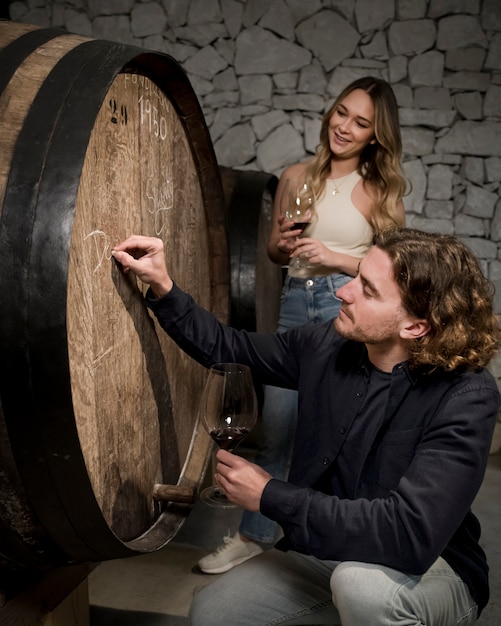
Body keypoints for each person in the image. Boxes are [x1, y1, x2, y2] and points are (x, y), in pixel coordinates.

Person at [112, 227, 500, 625]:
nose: (342, 292)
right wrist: (162, 284)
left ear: (415, 327)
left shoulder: (466, 396)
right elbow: (231, 348)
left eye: (367, 290)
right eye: (357, 276)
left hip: (429, 567)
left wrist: (270, 496)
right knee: (213, 612)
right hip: (326, 554)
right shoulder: (326, 346)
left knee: (362, 590)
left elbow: (409, 535)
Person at [197, 76, 408, 574]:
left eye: (361, 123)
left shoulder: (382, 192)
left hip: (346, 309)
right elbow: (274, 250)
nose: (345, 127)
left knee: (335, 432)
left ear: (375, 135)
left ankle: (324, 540)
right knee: (278, 428)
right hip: (296, 302)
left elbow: (397, 272)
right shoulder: (295, 176)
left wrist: (334, 256)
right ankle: (254, 537)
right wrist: (287, 246)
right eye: (341, 113)